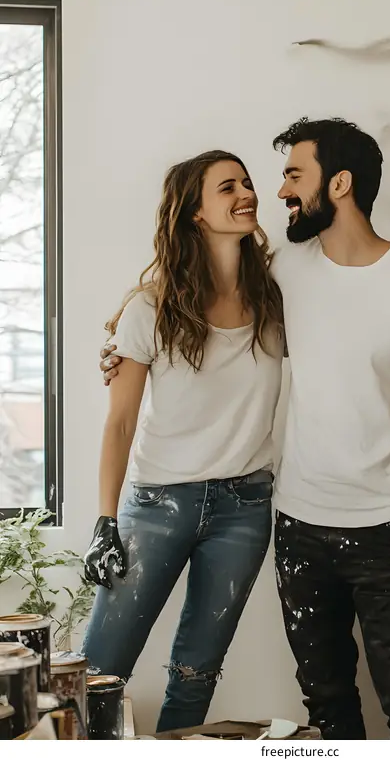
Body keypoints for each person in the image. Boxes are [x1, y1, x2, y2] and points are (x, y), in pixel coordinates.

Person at [100, 118, 390, 740]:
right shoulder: (286, 272)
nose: (276, 191)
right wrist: (125, 329)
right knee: (327, 713)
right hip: (299, 528)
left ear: (339, 184)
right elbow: (194, 287)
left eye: (291, 175)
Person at [82, 150, 285, 733]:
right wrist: (104, 523)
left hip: (245, 508)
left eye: (247, 183)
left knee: (197, 673)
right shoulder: (151, 307)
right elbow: (119, 422)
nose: (246, 193)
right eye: (228, 187)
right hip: (157, 506)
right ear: (195, 212)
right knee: (100, 671)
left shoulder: (275, 298)